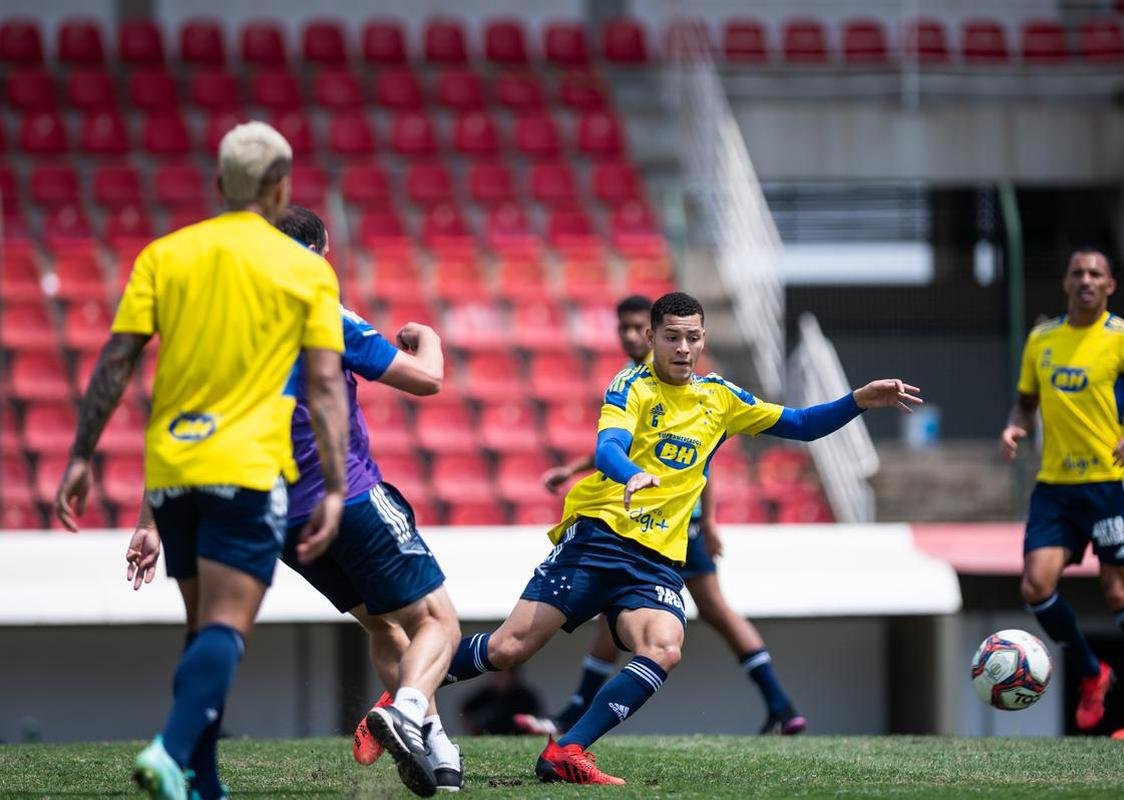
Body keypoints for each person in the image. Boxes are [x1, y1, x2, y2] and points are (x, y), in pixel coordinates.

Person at [440, 292, 921, 784]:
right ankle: (407, 695)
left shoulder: (721, 397)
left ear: (703, 339)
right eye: (672, 337)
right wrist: (629, 474)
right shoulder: (632, 385)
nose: (683, 348)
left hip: (653, 561)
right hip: (599, 539)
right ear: (652, 338)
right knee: (509, 649)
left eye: (692, 337)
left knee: (665, 645)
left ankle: (567, 749)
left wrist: (860, 400)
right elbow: (607, 447)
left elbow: (800, 424)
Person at [122, 207, 463, 796]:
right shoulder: (322, 311)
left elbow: (178, 419)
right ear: (321, 250)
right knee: (437, 621)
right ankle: (407, 714)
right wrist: (427, 337)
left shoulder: (224, 326)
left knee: (381, 623)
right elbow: (426, 379)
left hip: (275, 517)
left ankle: (434, 745)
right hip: (347, 497)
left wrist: (148, 519)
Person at [54, 123, 349, 800]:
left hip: (172, 470)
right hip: (245, 468)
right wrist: (333, 486)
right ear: (280, 188)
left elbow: (117, 357)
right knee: (226, 628)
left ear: (219, 185)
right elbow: (327, 384)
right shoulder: (307, 270)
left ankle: (201, 784)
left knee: (200, 630)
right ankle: (171, 749)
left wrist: (80, 456)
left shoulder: (166, 254)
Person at [524, 294, 806, 737]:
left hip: (672, 524)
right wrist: (576, 469)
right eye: (627, 329)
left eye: (640, 328)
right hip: (639, 517)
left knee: (707, 611)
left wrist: (709, 520)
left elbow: (700, 459)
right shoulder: (634, 381)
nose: (634, 336)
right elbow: (620, 446)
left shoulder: (689, 386)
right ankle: (576, 716)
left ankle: (780, 702)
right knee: (622, 617)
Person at [1000, 249, 1124, 740]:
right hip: (1054, 487)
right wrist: (1014, 428)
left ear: (1110, 286)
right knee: (1035, 586)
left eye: (1095, 274)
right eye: (1077, 273)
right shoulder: (1042, 339)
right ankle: (1091, 671)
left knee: (1119, 590)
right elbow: (1024, 403)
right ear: (1066, 282)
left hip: (1107, 484)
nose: (1086, 280)